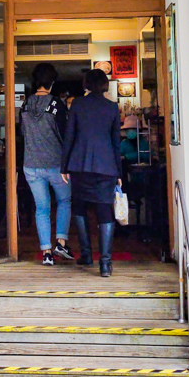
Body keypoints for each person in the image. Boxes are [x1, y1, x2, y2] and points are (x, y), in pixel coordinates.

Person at [61, 69, 123, 277]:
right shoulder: (112, 107)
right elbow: (116, 143)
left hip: (80, 164)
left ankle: (86, 254)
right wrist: (119, 173)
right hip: (106, 166)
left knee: (79, 208)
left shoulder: (78, 104)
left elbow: (69, 135)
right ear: (105, 84)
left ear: (86, 83)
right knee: (105, 211)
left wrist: (64, 166)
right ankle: (105, 264)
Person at [20, 63, 73, 266]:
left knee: (42, 208)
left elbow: (23, 134)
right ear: (51, 82)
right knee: (65, 201)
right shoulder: (56, 104)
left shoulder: (25, 106)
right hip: (55, 164)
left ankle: (46, 253)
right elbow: (66, 135)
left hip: (31, 164)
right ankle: (61, 242)